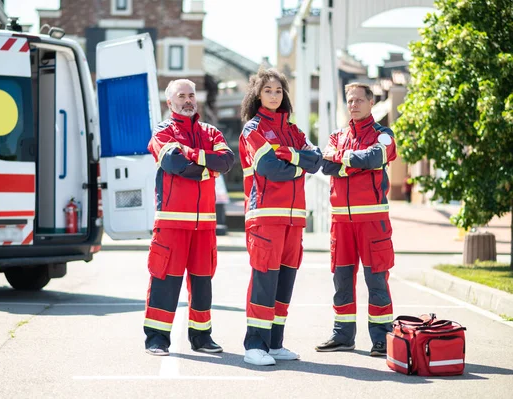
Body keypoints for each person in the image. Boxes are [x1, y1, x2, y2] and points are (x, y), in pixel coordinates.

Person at [143, 79, 235, 356]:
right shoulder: (162, 132)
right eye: (181, 96)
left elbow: (227, 161)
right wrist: (208, 168)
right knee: (165, 280)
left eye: (191, 95)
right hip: (172, 222)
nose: (187, 100)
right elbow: (174, 164)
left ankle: (201, 337)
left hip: (204, 224)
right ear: (169, 102)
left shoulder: (210, 131)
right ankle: (157, 339)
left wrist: (194, 156)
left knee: (203, 281)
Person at [239, 68, 323, 366]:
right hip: (265, 216)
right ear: (257, 95)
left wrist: (292, 156)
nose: (274, 95)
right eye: (267, 91)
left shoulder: (294, 129)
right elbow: (269, 168)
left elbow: (318, 159)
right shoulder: (253, 129)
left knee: (284, 281)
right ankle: (254, 345)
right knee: (264, 280)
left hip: (293, 219)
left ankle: (274, 343)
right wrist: (300, 164)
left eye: (278, 90)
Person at [315, 82, 397, 357]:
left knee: (376, 282)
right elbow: (325, 165)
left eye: (359, 100)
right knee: (342, 280)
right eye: (350, 100)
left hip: (373, 222)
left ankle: (383, 338)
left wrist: (344, 161)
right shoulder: (337, 135)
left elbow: (375, 157)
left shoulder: (383, 134)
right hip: (341, 224)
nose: (353, 105)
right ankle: (343, 336)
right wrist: (354, 163)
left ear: (370, 102)